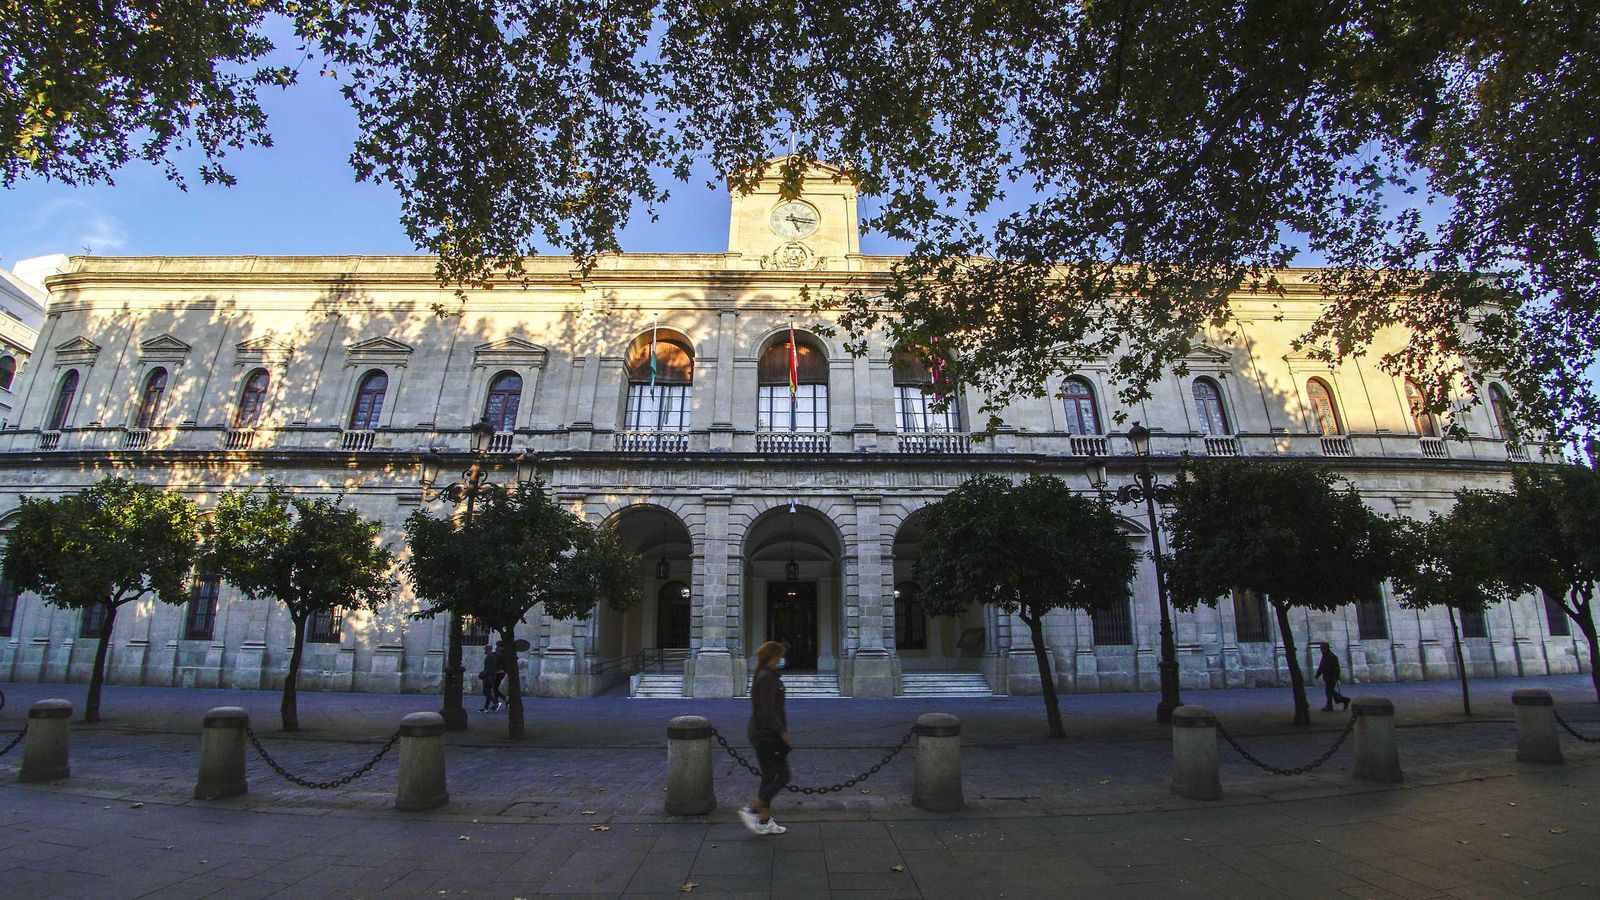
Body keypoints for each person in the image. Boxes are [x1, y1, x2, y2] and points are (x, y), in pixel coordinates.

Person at [738, 641, 791, 835]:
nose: (782, 659)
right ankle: (753, 809)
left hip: (762, 733)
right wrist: (782, 732)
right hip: (767, 734)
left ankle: (764, 821)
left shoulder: (764, 675)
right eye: (780, 656)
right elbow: (767, 710)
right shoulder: (767, 677)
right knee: (783, 776)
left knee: (769, 775)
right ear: (772, 657)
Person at [1315, 642, 1350, 711]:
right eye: (1321, 648)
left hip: (1331, 677)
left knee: (1329, 691)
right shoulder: (1325, 656)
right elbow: (1321, 667)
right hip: (1327, 677)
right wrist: (1318, 674)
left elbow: (1336, 668)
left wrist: (1336, 677)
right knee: (1329, 692)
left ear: (1327, 648)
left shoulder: (1332, 656)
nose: (1321, 650)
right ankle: (1342, 701)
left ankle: (1340, 701)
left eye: (1323, 648)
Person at [477, 646, 501, 712]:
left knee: (486, 692)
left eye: (484, 649)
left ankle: (496, 703)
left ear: (487, 650)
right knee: (488, 692)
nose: (484, 651)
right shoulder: (492, 656)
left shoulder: (490, 657)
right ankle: (486, 708)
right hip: (490, 676)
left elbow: (488, 668)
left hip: (488, 677)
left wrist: (483, 675)